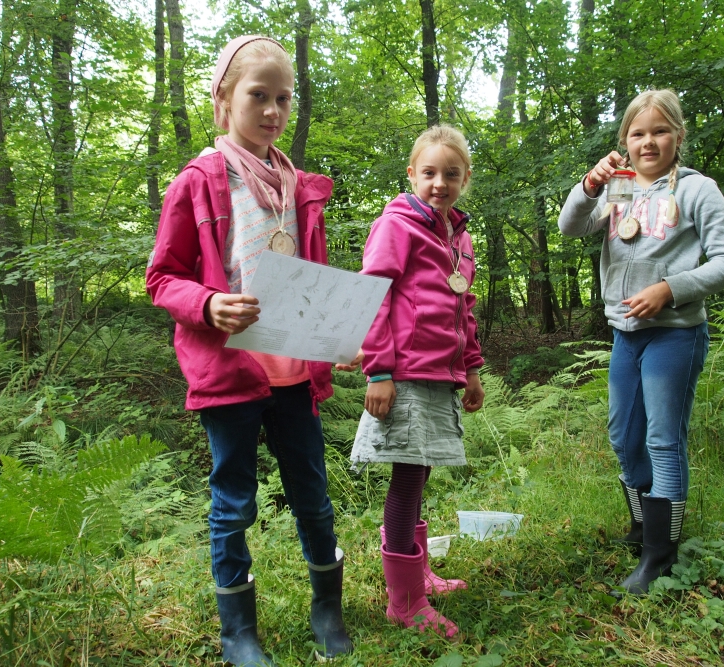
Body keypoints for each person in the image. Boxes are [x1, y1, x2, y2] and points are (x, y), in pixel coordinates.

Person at [146, 35, 355, 665]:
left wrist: (333, 334)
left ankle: (328, 610)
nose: (272, 110)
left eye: (283, 98)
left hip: (295, 374)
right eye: (257, 95)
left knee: (313, 496)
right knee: (232, 501)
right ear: (224, 99)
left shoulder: (299, 186)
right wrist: (208, 305)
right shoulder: (201, 181)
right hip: (230, 370)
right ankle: (237, 629)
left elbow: (311, 277)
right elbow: (163, 277)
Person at [558, 89, 724, 596]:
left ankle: (660, 556)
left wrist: (670, 289)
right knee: (623, 436)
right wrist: (588, 185)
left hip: (675, 334)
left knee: (664, 439)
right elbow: (570, 228)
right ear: (625, 140)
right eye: (638, 133)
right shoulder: (619, 190)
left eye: (659, 131)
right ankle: (644, 527)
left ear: (678, 137)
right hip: (625, 333)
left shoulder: (697, 190)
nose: (648, 141)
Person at [351, 124, 486, 638]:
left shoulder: (461, 237)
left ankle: (417, 571)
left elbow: (463, 307)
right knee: (407, 477)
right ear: (411, 174)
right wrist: (379, 371)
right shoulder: (397, 225)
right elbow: (375, 296)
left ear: (464, 178)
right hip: (402, 372)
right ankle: (404, 601)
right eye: (428, 172)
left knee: (422, 472)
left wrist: (471, 369)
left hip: (441, 374)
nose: (439, 183)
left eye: (451, 174)